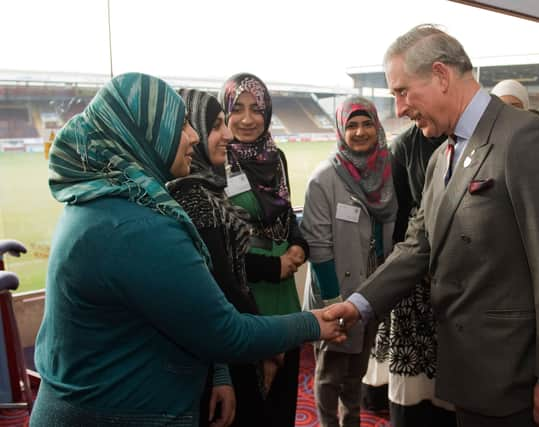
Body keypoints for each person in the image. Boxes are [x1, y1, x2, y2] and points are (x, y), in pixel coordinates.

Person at [31, 72, 344, 426]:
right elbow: (226, 332)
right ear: (143, 133)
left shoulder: (105, 204)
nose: (194, 136)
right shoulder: (139, 228)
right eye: (182, 126)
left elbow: (181, 313)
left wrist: (221, 374)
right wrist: (312, 323)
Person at [324, 24, 539, 426]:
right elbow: (418, 246)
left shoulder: (524, 139)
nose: (399, 109)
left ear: (440, 75)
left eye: (401, 91)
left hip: (513, 379)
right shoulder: (443, 157)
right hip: (466, 371)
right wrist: (359, 304)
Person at [167, 88, 272, 426]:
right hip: (227, 351)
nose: (227, 134)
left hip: (227, 350)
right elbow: (223, 289)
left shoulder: (206, 188)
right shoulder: (194, 197)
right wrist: (271, 343)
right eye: (215, 125)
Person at [219, 72, 308, 427]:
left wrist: (299, 245)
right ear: (224, 112)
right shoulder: (214, 162)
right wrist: (274, 268)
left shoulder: (276, 156)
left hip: (284, 294)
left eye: (257, 109)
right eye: (237, 108)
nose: (247, 118)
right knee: (251, 405)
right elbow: (218, 246)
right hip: (247, 293)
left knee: (283, 400)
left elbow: (285, 212)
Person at [301, 96, 396, 427]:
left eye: (367, 123)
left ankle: (351, 420)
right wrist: (332, 303)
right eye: (351, 125)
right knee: (329, 375)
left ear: (377, 126)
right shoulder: (324, 179)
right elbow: (318, 246)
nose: (360, 132)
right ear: (341, 130)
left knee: (357, 369)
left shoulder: (386, 172)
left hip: (371, 291)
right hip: (336, 294)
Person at [366, 124, 455, 427]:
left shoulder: (465, 140)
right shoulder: (404, 144)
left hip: (456, 265)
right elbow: (401, 208)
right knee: (411, 346)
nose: (403, 108)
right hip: (415, 258)